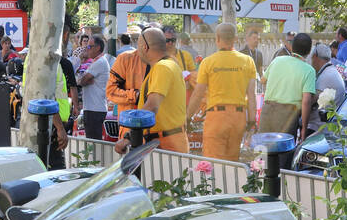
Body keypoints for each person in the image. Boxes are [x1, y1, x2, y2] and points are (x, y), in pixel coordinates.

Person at [186, 22, 256, 161]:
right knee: (232, 164)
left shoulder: (208, 62)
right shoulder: (248, 61)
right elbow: (251, 95)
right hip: (238, 118)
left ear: (217, 38)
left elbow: (198, 93)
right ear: (235, 39)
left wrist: (187, 117)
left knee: (213, 165)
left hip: (216, 118)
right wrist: (252, 122)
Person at [114, 27, 188, 154]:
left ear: (145, 47)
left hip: (165, 144)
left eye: (138, 46)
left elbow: (152, 106)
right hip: (167, 141)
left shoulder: (162, 67)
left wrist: (129, 137)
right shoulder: (169, 64)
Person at [259, 32, 317, 142]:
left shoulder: (277, 60)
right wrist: (304, 128)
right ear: (309, 51)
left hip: (267, 110)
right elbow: (306, 102)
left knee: (262, 152)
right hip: (287, 116)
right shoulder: (309, 71)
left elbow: (263, 80)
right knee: (283, 154)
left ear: (292, 46)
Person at [106, 28, 150, 134]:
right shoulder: (125, 59)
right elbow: (111, 91)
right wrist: (136, 96)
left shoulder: (167, 62)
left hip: (159, 130)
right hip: (131, 126)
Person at [77, 36, 111, 140]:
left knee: (94, 144)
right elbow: (83, 80)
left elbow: (81, 81)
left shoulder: (100, 62)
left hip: (95, 109)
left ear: (98, 48)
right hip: (93, 108)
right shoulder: (96, 62)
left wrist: (84, 80)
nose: (87, 50)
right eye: (87, 47)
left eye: (90, 47)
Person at [310, 42, 347, 107]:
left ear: (315, 56)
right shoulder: (330, 70)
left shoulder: (326, 75)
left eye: (311, 58)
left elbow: (309, 101)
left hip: (327, 116)